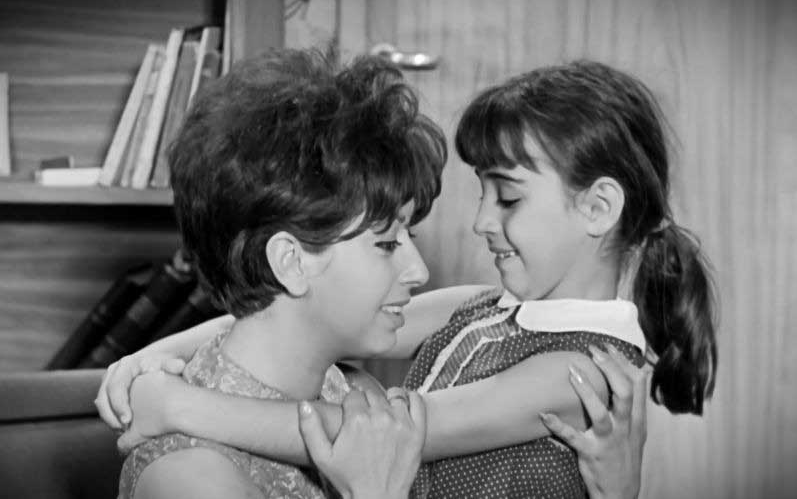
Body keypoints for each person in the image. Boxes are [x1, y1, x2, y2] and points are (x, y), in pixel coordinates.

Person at [99, 59, 715, 498]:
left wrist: (182, 404)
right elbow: (268, 305)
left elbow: (391, 432)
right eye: (388, 242)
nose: (480, 223)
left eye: (508, 198)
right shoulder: (488, 306)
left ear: (599, 208)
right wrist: (150, 355)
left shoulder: (584, 372)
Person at [113, 48, 445, 499]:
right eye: (386, 244)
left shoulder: (352, 391)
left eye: (410, 237)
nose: (419, 271)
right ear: (290, 262)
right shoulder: (190, 480)